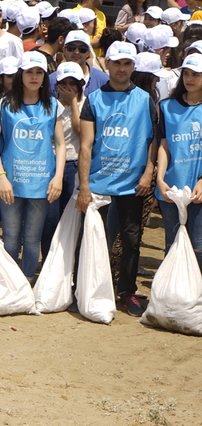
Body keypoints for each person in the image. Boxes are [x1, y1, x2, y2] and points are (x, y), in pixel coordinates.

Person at [77, 40, 157, 317]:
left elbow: (152, 140)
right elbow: (86, 145)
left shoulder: (145, 99)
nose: (122, 68)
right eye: (117, 63)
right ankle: (92, 288)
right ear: (107, 64)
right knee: (95, 239)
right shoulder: (95, 99)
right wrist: (84, 185)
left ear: (134, 67)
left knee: (132, 240)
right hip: (99, 184)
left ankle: (126, 292)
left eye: (127, 64)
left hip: (132, 184)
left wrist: (148, 172)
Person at [0, 51, 65, 280]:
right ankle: (9, 282)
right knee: (10, 236)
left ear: (45, 76)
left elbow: (60, 145)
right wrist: (1, 176)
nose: (34, 77)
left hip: (42, 182)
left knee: (32, 237)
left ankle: (27, 281)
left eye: (39, 72)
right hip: (11, 181)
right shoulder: (4, 103)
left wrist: (58, 176)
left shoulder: (54, 105)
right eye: (29, 71)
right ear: (21, 74)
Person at [155, 52, 202, 267]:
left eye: (196, 74)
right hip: (172, 187)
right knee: (172, 244)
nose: (190, 79)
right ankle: (171, 297)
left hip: (199, 189)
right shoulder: (166, 106)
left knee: (198, 246)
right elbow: (164, 146)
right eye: (187, 74)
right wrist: (160, 178)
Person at [43, 61, 85, 256]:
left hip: (74, 165)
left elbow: (81, 131)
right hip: (51, 164)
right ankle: (48, 264)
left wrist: (74, 102)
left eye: (73, 83)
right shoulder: (50, 105)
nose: (68, 87)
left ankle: (69, 264)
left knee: (71, 219)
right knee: (50, 219)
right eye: (64, 83)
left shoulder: (86, 104)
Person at [48, 31, 108, 95]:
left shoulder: (103, 80)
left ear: (88, 53)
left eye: (82, 49)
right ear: (64, 50)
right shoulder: (51, 81)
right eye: (71, 48)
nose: (76, 52)